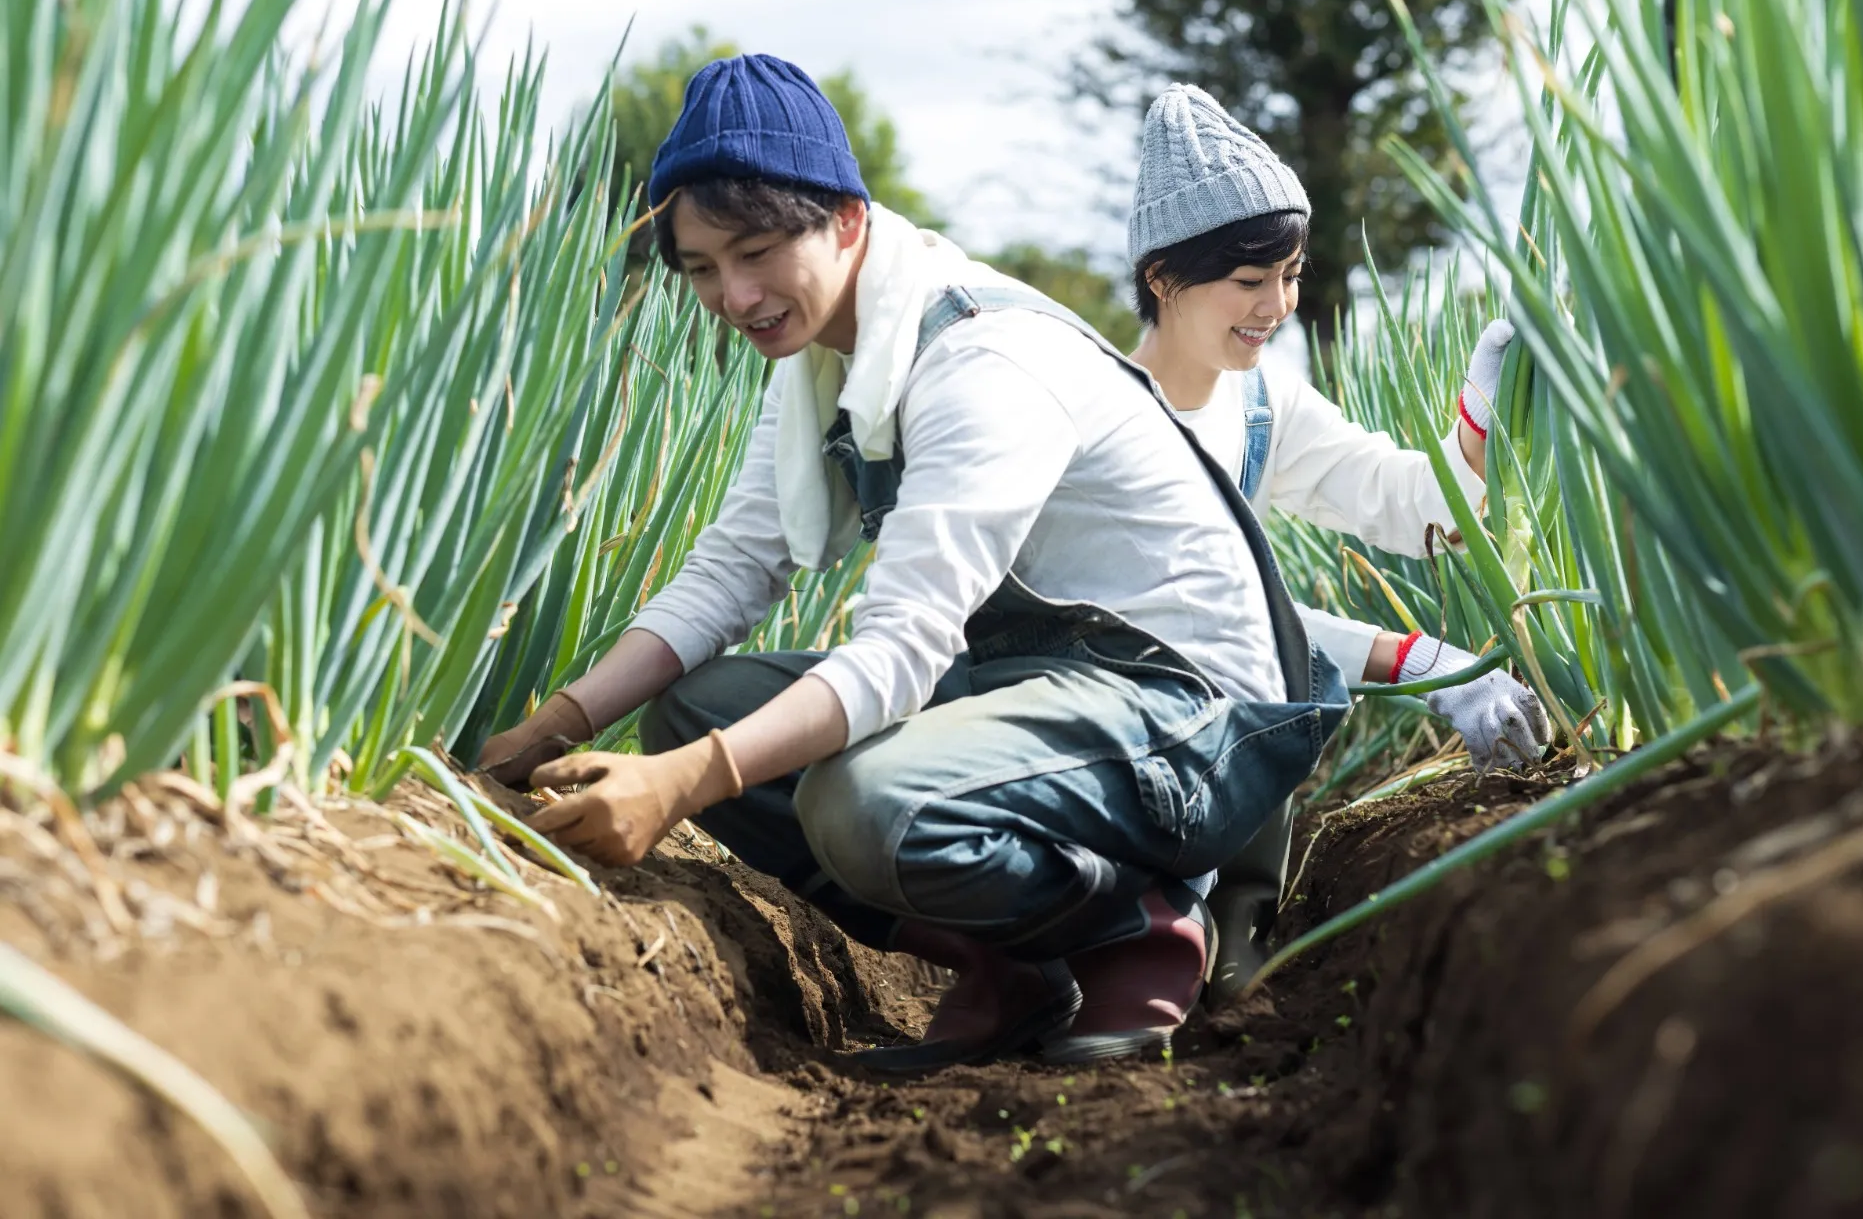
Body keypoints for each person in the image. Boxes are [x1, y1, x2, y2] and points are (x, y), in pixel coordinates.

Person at [478, 55, 1349, 1070]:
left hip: (1188, 713)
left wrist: (679, 788)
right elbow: (733, 567)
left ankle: (1137, 923)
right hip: (1046, 684)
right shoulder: (827, 360)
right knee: (697, 706)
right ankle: (1012, 965)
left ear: (846, 220)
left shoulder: (983, 359)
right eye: (703, 268)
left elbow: (898, 651)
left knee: (862, 801)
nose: (735, 293)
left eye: (756, 250)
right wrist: (554, 724)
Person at [1123, 83, 1553, 999]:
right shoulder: (1109, 417)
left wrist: (1483, 407)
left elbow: (1410, 507)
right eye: (1248, 282)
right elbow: (1210, 615)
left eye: (1289, 275)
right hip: (1113, 724)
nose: (1276, 305)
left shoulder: (1260, 400)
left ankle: (1234, 927)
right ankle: (1107, 934)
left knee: (1265, 689)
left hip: (1211, 743)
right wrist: (1424, 662)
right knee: (1259, 668)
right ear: (1162, 278)